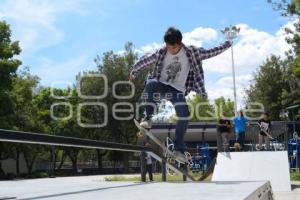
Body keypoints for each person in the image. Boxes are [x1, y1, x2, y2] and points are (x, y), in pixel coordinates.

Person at [130, 27, 232, 162]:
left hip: (177, 90)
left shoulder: (192, 52)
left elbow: (211, 51)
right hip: (161, 85)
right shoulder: (161, 52)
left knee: (184, 114)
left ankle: (178, 148)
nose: (170, 50)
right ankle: (148, 117)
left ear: (180, 43)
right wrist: (134, 72)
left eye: (174, 47)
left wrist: (228, 43)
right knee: (150, 84)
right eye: (168, 47)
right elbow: (145, 60)